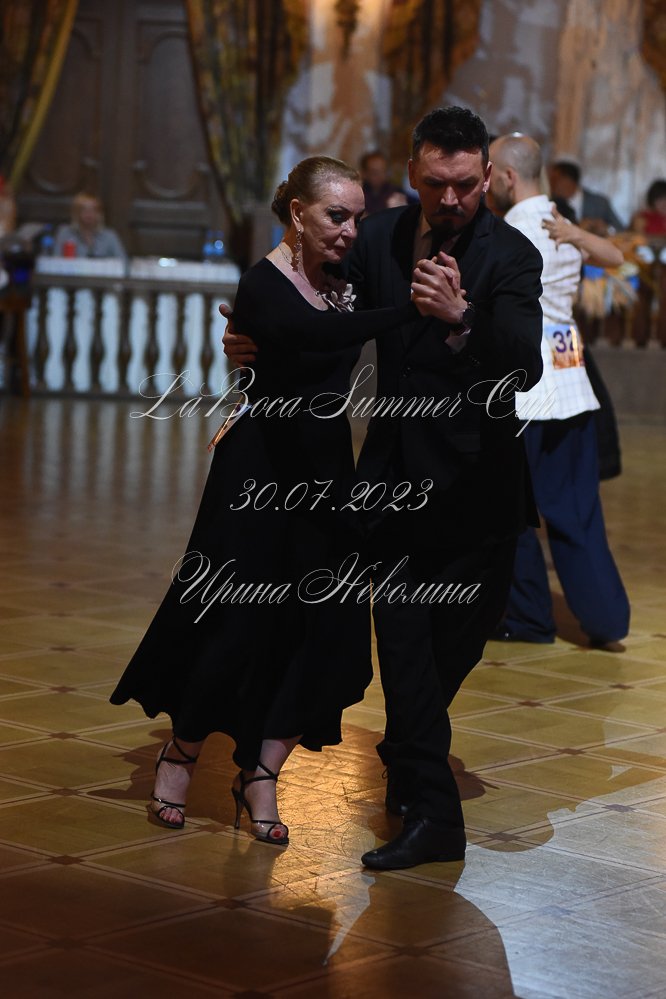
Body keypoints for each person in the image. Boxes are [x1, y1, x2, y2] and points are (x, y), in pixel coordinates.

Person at [223, 107, 544, 870]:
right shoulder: (380, 239)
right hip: (394, 488)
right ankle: (435, 817)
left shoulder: (512, 255)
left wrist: (463, 318)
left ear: (488, 176)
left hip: (479, 495)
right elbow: (311, 298)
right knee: (403, 651)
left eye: (464, 184)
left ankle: (408, 754)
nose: (450, 198)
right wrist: (253, 337)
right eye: (434, 183)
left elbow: (525, 365)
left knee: (449, 653)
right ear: (411, 175)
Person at [110, 156, 441, 847]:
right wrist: (406, 311)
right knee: (233, 622)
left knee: (330, 632)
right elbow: (316, 336)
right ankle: (182, 753)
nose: (349, 231)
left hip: (325, 476)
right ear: (297, 213)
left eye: (356, 218)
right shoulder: (262, 284)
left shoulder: (344, 277)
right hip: (257, 474)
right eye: (336, 216)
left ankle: (263, 771)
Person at [487, 133, 630, 649]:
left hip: (528, 393)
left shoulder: (506, 233)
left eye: (488, 173)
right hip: (573, 384)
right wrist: (577, 235)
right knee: (578, 511)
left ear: (507, 177)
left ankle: (529, 617)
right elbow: (615, 257)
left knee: (512, 511)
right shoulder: (561, 221)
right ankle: (608, 621)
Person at [548, 159, 624, 233]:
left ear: (568, 180)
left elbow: (621, 230)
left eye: (554, 180)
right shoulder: (551, 204)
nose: (551, 184)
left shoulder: (600, 203)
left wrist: (607, 229)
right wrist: (578, 227)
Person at [54, 192, 126, 259]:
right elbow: (56, 261)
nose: (89, 213)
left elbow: (123, 262)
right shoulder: (65, 233)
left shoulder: (109, 236)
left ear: (99, 213)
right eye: (84, 210)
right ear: (76, 213)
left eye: (93, 210)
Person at [360, 150, 408, 215]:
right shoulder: (359, 192)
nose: (380, 175)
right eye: (375, 172)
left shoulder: (396, 192)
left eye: (383, 171)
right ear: (364, 173)